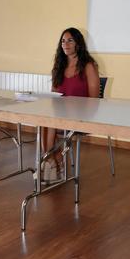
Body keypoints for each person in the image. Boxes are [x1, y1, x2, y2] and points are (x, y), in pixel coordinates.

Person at [41, 28, 100, 183]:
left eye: (70, 40)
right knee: (43, 120)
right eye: (63, 41)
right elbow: (53, 95)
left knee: (51, 120)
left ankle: (51, 162)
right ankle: (51, 161)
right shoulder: (59, 66)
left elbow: (94, 100)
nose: (65, 44)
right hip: (61, 114)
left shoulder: (88, 66)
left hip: (82, 115)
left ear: (78, 43)